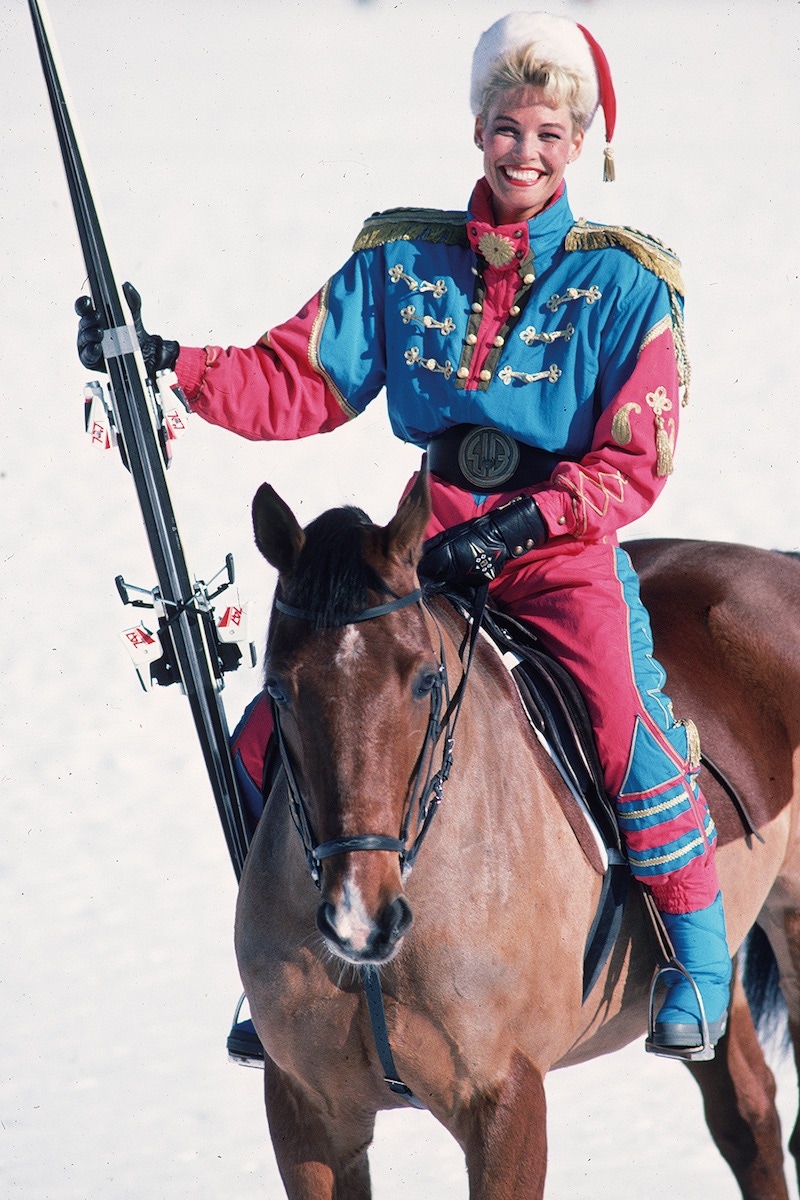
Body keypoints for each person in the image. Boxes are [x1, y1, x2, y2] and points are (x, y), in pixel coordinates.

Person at [77, 11, 731, 1058]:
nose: (525, 152)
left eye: (550, 135)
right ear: (479, 132)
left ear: (578, 146)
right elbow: (299, 378)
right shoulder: (404, 263)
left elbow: (630, 462)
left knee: (620, 722)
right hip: (425, 545)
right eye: (508, 129)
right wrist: (167, 362)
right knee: (274, 734)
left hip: (557, 551)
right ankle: (289, 955)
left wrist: (527, 520)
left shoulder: (624, 283)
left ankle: (698, 961)